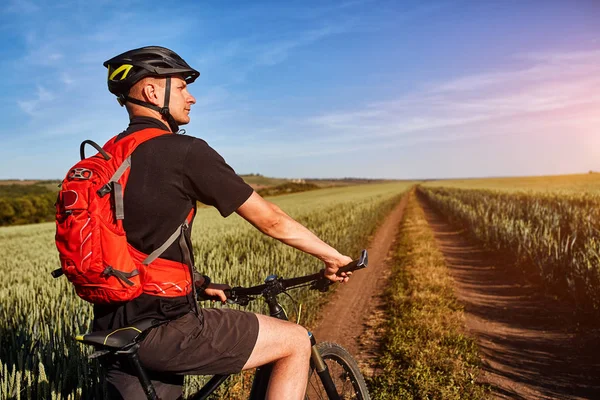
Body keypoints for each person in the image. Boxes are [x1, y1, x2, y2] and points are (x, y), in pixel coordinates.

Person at [98, 46, 353, 399]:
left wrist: (199, 282)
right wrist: (333, 257)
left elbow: (129, 240)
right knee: (296, 339)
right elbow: (271, 220)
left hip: (114, 327)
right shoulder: (184, 151)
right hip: (167, 327)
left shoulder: (105, 157)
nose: (192, 98)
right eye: (182, 87)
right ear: (152, 91)